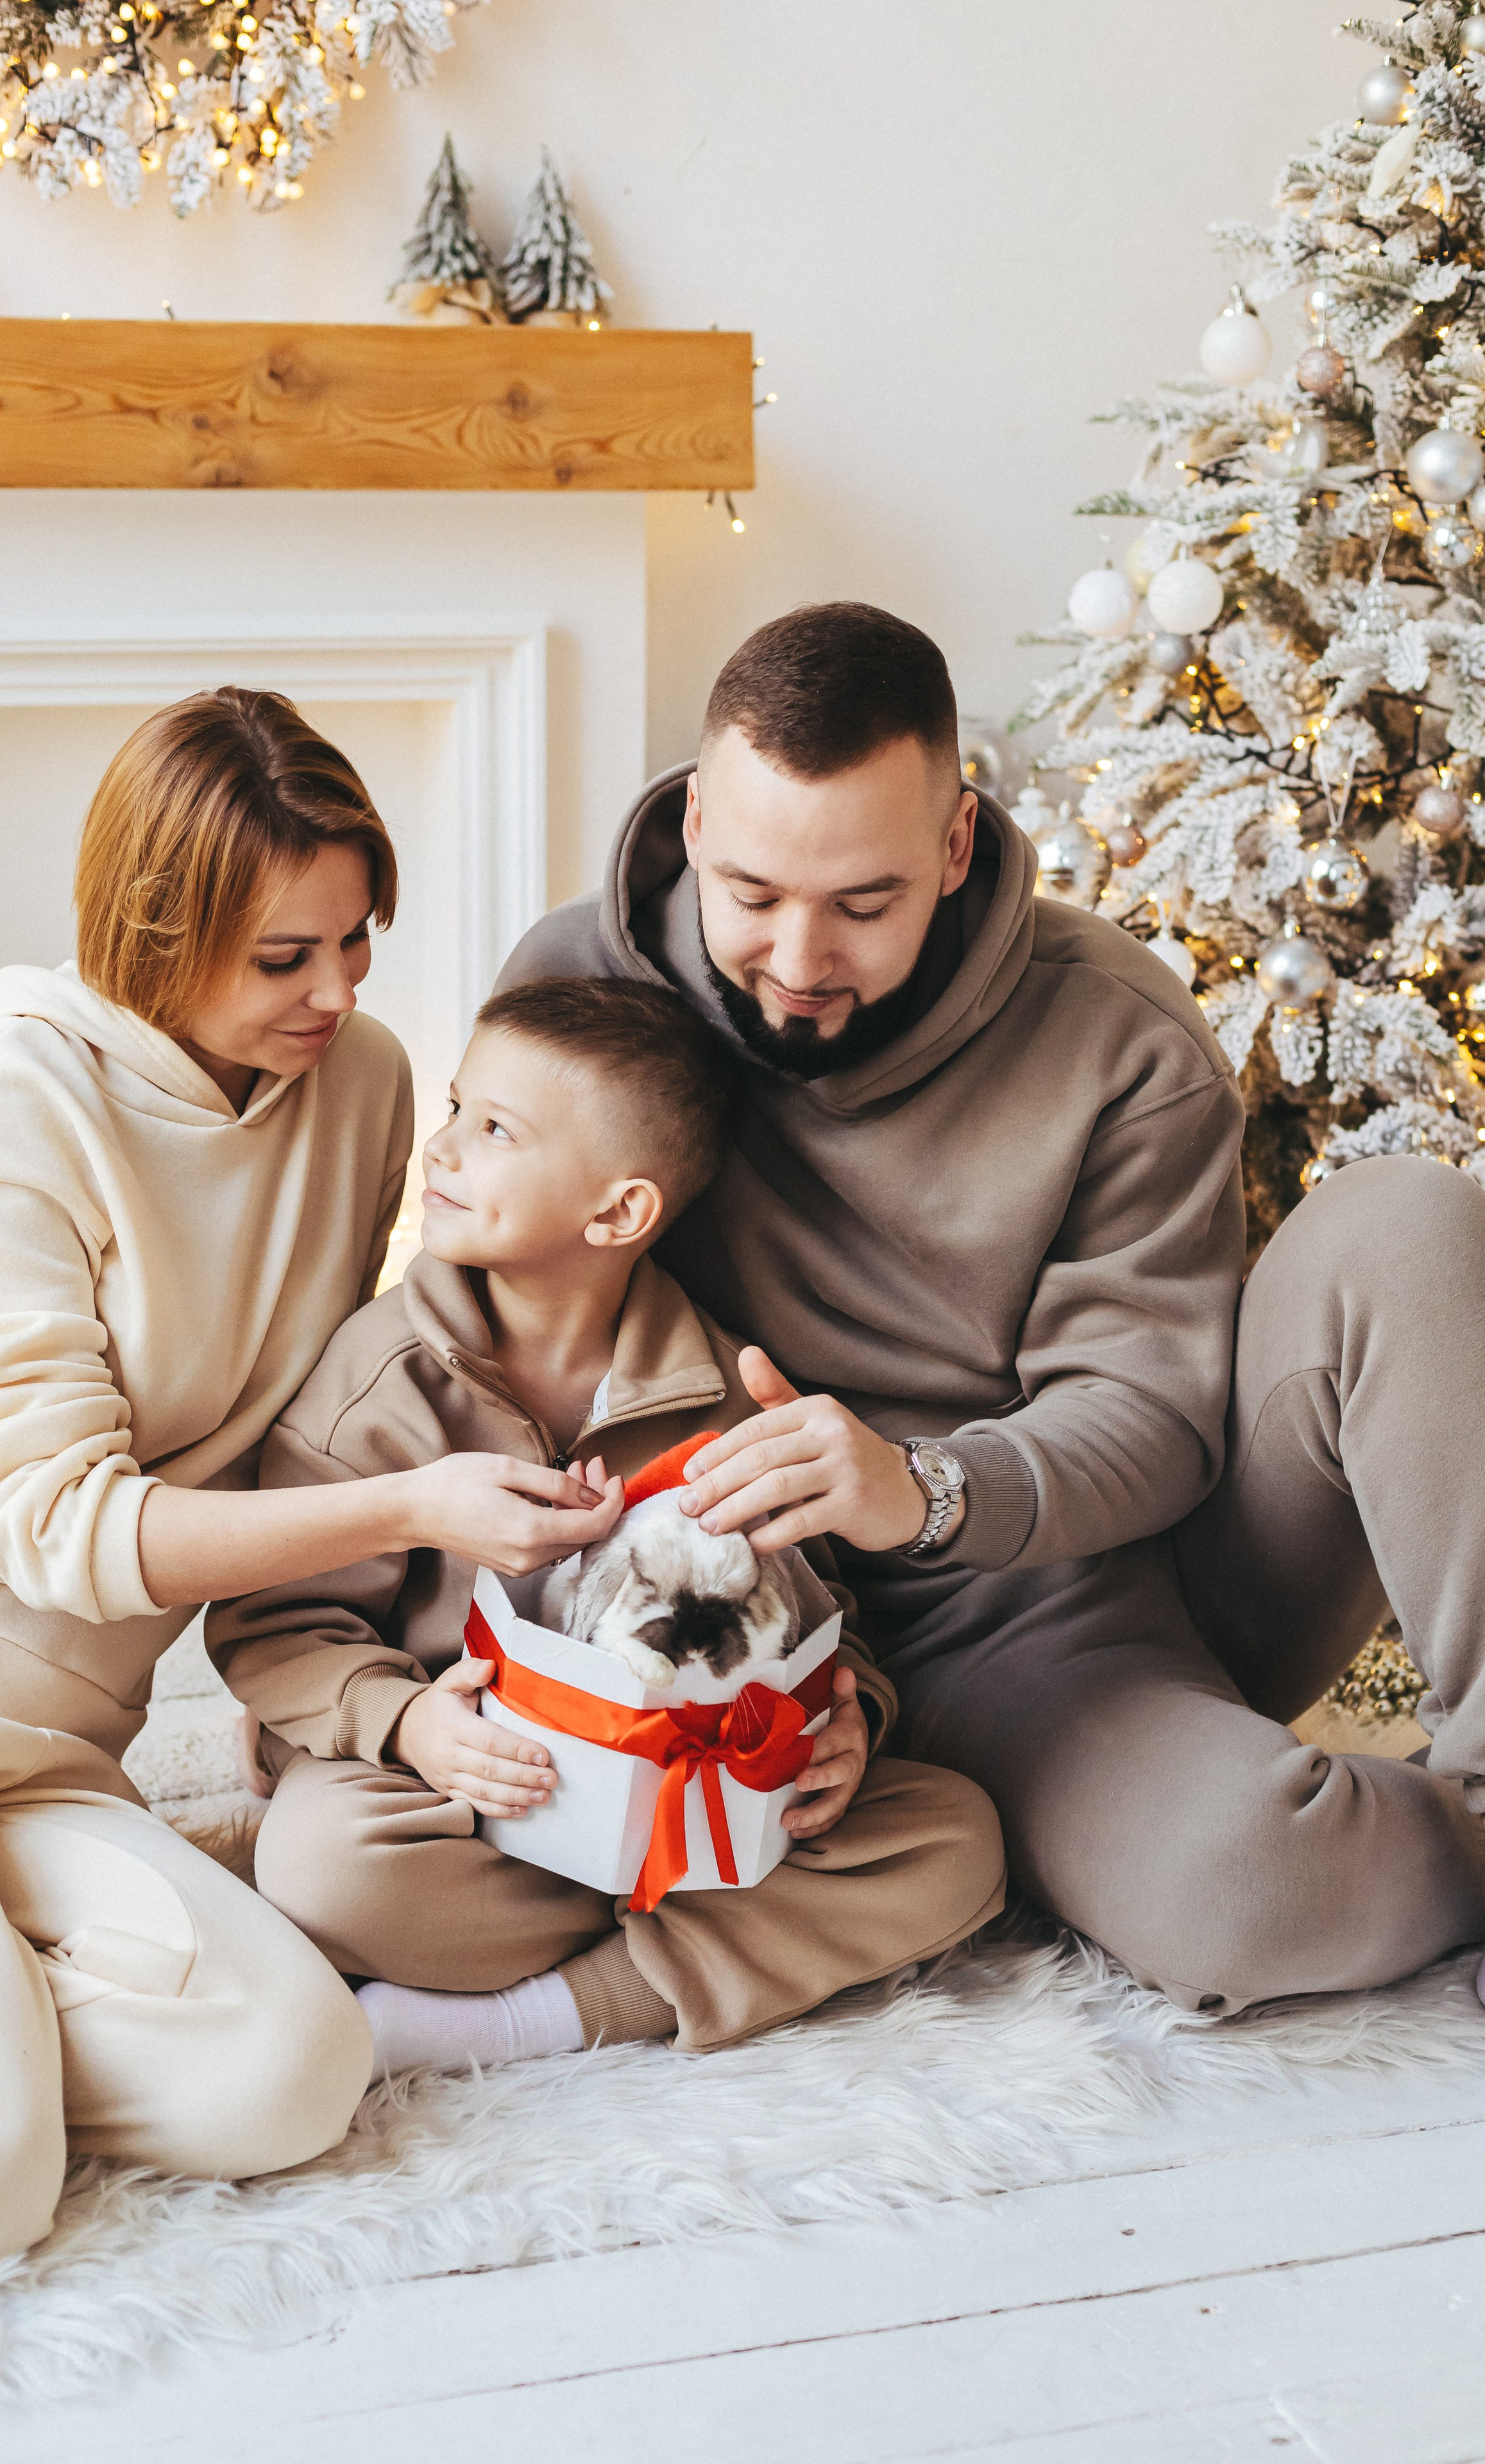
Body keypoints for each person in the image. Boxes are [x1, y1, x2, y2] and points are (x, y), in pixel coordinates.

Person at [496, 599, 1485, 2018]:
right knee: (1247, 1877)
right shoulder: (569, 994)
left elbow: (1153, 1417)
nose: (798, 959)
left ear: (956, 844)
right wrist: (366, 1654)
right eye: (755, 895)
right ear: (697, 822)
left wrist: (920, 1488)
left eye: (863, 905)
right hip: (852, 1641)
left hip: (1110, 1577)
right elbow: (474, 1317)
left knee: (1406, 1222)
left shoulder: (1115, 1030)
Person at [0, 687, 625, 2286]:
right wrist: (412, 1510)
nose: (336, 989)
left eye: (358, 938)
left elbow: (339, 1391)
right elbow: (65, 1534)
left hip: (44, 1755)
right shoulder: (18, 1101)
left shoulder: (363, 1086)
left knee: (289, 2073)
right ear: (156, 929)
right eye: (284, 957)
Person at [210, 976, 1005, 2076]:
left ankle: (527, 2015)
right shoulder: (378, 1383)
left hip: (687, 1794)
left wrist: (845, 1720)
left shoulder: (727, 1389)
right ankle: (692, 1938)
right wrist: (403, 1722)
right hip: (465, 1786)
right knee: (326, 1869)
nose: (442, 1146)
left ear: (620, 1213)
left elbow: (815, 1615)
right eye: (456, 1108)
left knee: (956, 1840)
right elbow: (276, 1625)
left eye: (494, 1130)